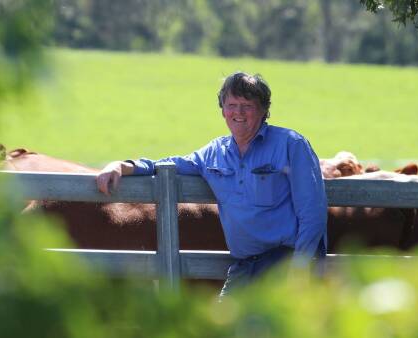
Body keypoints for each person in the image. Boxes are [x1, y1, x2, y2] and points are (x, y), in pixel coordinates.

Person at [96, 71, 328, 296]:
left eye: (247, 106)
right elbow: (168, 164)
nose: (238, 112)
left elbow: (312, 212)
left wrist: (300, 269)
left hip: (286, 262)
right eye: (231, 105)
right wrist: (123, 166)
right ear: (223, 110)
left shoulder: (291, 144)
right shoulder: (214, 153)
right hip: (245, 266)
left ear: (264, 110)